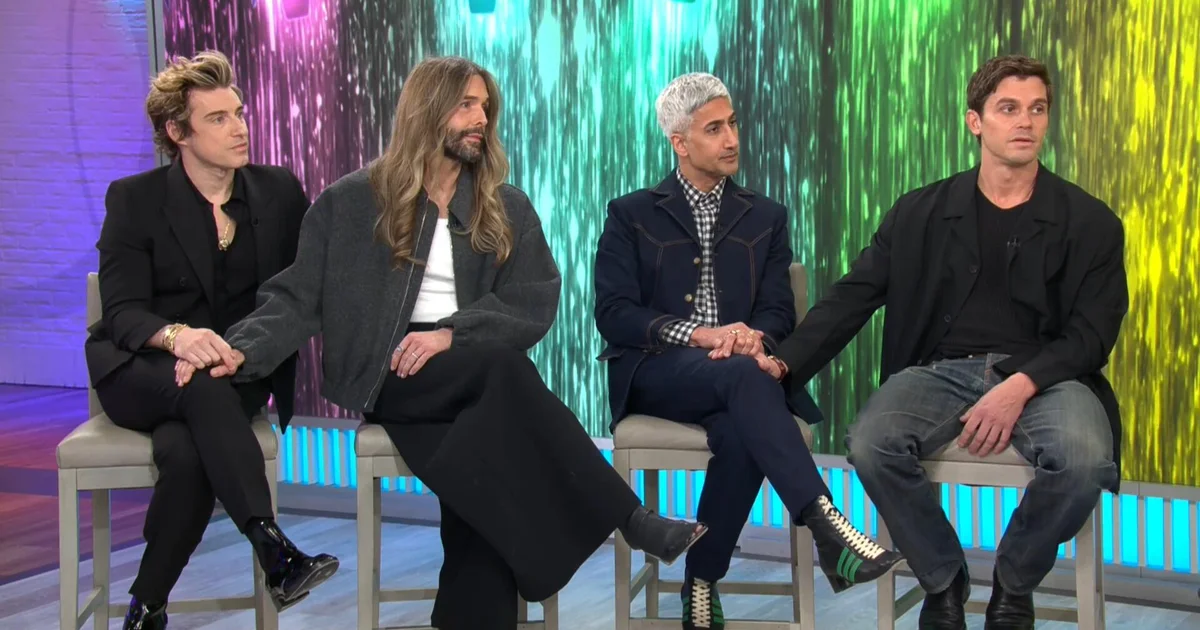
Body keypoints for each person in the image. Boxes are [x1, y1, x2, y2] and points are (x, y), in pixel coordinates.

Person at [209, 56, 705, 630]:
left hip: (471, 373)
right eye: (466, 105)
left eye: (485, 107)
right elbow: (296, 297)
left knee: (482, 465)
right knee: (504, 369)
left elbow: (534, 300)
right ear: (427, 110)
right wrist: (241, 349)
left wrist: (451, 334)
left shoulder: (505, 205)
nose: (481, 119)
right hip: (390, 371)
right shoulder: (350, 203)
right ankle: (630, 517)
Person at [763, 55, 1127, 629]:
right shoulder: (920, 212)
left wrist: (1019, 386)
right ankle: (943, 578)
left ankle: (1014, 582)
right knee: (871, 442)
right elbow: (853, 297)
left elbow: (1093, 333)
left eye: (1037, 109)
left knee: (1084, 461)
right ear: (975, 121)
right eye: (1009, 108)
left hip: (1049, 376)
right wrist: (784, 363)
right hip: (938, 370)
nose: (1025, 121)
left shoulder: (1091, 221)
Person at [594, 73, 902, 630]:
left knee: (742, 429)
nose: (732, 138)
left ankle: (700, 582)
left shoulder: (767, 216)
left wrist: (754, 338)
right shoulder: (630, 214)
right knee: (746, 380)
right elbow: (614, 314)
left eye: (733, 124)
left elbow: (779, 311)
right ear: (680, 142)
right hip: (657, 373)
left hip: (740, 374)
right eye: (714, 129)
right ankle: (826, 523)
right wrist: (701, 335)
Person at [84, 50, 338, 630]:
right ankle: (272, 547)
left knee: (186, 453)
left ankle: (147, 607)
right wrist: (178, 338)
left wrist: (236, 349)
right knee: (199, 391)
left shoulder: (278, 192)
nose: (239, 127)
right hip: (141, 369)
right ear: (178, 133)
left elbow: (305, 289)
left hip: (233, 368)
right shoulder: (135, 199)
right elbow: (121, 311)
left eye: (239, 113)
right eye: (218, 118)